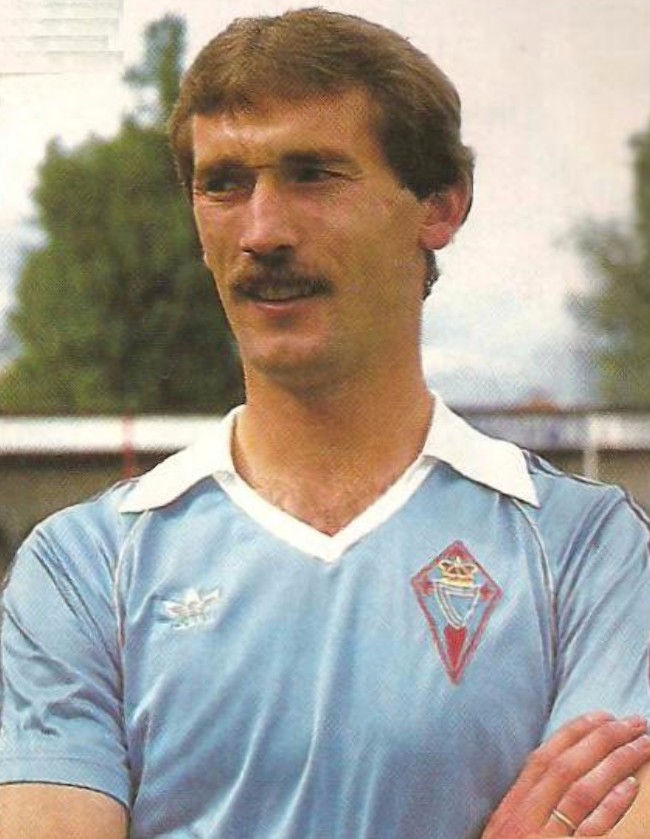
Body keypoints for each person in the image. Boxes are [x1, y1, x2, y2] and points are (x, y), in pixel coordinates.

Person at [0, 8, 649, 839]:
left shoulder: (591, 550)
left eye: (313, 174)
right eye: (223, 183)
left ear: (441, 205)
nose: (262, 231)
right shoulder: (82, 568)